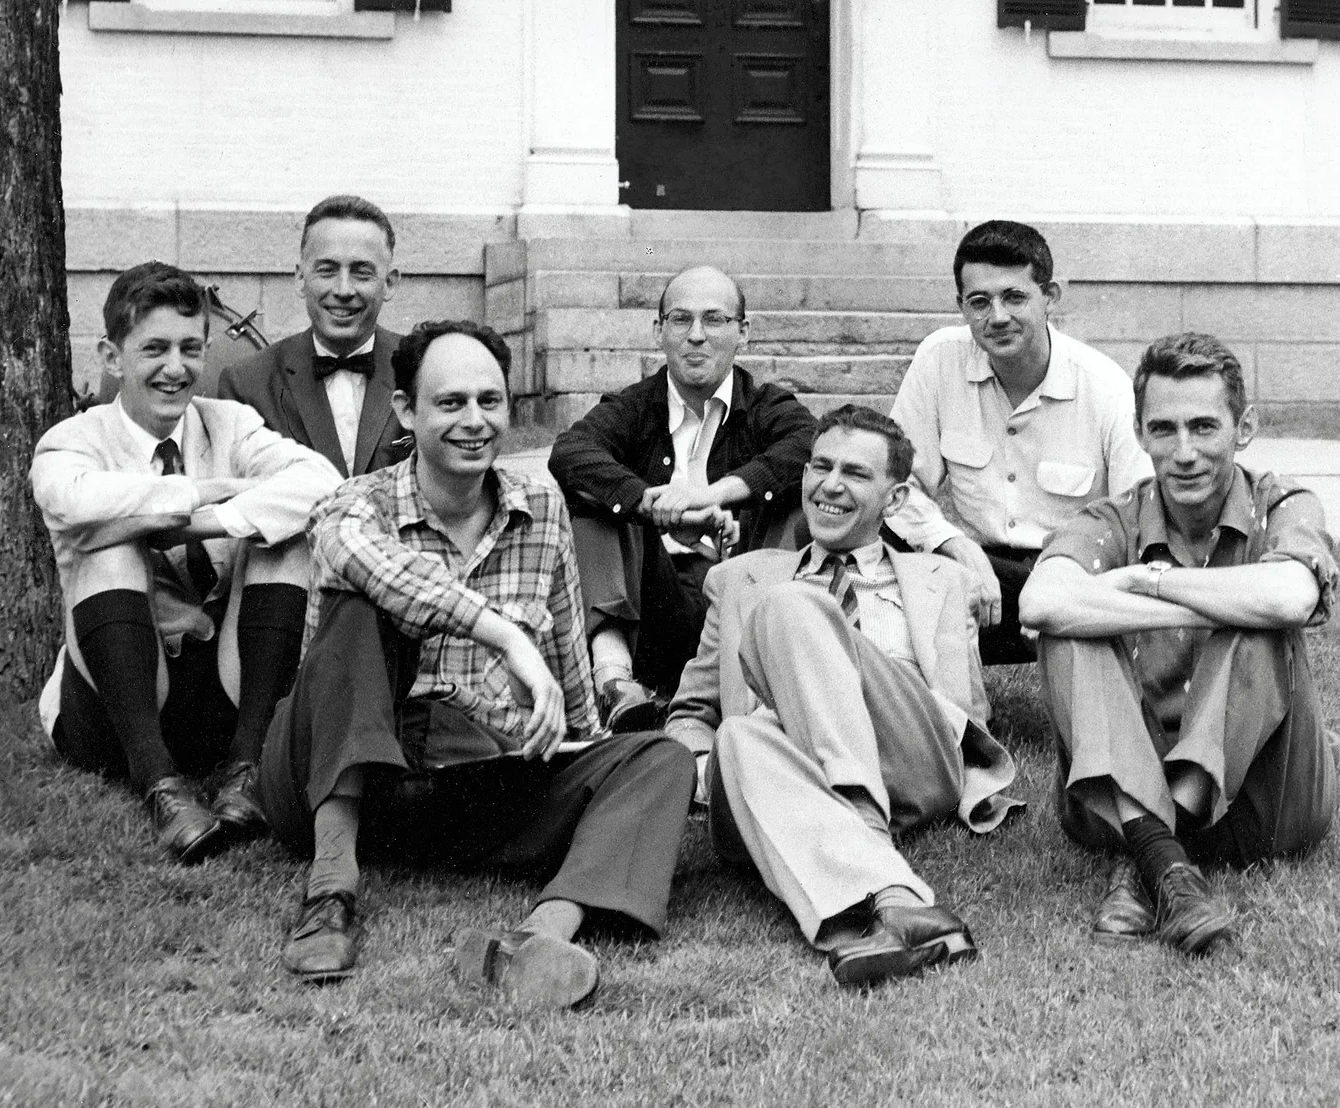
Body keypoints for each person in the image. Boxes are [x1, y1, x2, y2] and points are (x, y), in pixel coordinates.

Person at [258, 318, 696, 1004]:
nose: (474, 421)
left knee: (658, 756)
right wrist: (502, 634)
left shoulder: (540, 509)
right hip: (339, 772)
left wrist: (592, 753)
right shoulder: (354, 506)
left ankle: (539, 937)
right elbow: (371, 569)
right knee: (359, 611)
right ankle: (330, 894)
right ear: (406, 410)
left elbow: (564, 656)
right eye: (450, 403)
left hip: (470, 781)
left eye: (489, 402)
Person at [666, 405, 1021, 988]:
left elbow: (965, 712)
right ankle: (897, 900)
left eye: (855, 473)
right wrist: (708, 769)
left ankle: (861, 829)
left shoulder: (942, 581)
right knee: (739, 733)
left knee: (793, 606)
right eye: (818, 466)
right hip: (779, 771)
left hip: (908, 758)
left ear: (897, 498)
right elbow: (691, 712)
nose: (829, 485)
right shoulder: (741, 578)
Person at [1019, 332, 1339, 955]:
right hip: (1117, 785)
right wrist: (1213, 599)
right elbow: (1039, 603)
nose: (1184, 452)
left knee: (1259, 623)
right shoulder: (1112, 518)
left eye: (1204, 427)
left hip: (1264, 805)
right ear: (1139, 433)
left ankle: (1146, 849)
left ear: (1243, 428)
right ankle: (1167, 861)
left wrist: (1149, 582)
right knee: (1067, 633)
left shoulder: (1283, 503)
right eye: (1163, 430)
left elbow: (1287, 598)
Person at [30, 261, 342, 863]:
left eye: (190, 348)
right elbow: (72, 498)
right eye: (155, 348)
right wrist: (192, 494)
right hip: (114, 703)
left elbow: (321, 482)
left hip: (221, 688)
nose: (176, 368)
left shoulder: (228, 423)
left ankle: (247, 765)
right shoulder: (73, 439)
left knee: (284, 540)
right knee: (111, 550)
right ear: (113, 356)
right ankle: (160, 786)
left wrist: (217, 520)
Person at [548, 265, 816, 730]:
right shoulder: (632, 406)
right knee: (594, 500)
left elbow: (808, 443)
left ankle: (767, 687)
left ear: (743, 332)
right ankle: (614, 682)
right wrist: (652, 504)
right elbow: (572, 452)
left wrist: (709, 496)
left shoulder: (768, 405)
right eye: (680, 320)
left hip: (742, 595)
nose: (696, 335)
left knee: (798, 496)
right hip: (653, 601)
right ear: (658, 332)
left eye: (714, 320)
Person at [888, 220, 1153, 664]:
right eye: (979, 302)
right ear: (961, 306)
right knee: (861, 526)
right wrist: (956, 546)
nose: (997, 317)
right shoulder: (940, 360)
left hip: (1068, 575)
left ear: (1050, 297)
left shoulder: (1103, 386)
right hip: (970, 566)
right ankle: (935, 705)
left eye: (1014, 297)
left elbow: (1140, 515)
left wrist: (1063, 584)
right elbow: (895, 486)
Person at [219, 194, 409, 478]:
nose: (344, 290)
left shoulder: (422, 370)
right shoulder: (247, 385)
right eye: (327, 271)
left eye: (362, 272)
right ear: (300, 278)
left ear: (390, 283)